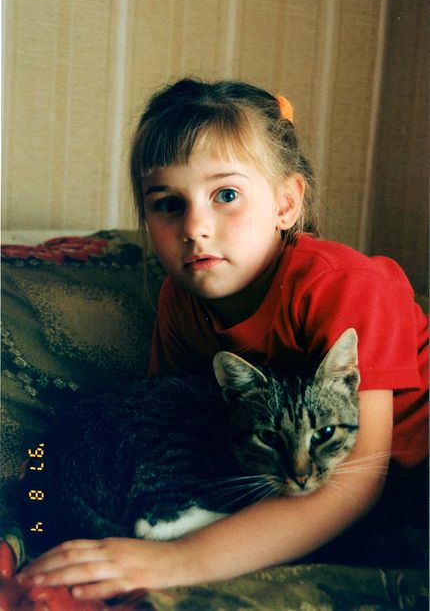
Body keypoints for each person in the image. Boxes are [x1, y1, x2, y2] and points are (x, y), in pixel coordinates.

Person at [18, 78, 428, 601]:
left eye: (226, 195)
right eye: (169, 203)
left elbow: (354, 484)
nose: (195, 227)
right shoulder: (179, 298)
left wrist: (176, 560)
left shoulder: (345, 284)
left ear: (286, 204)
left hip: (398, 472)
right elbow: (181, 431)